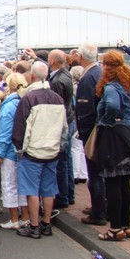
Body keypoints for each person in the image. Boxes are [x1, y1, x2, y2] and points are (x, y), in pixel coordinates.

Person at [94, 51, 130, 242]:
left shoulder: (110, 87)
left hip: (114, 136)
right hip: (128, 134)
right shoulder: (128, 83)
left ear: (107, 66)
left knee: (112, 181)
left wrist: (107, 121)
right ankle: (126, 225)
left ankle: (115, 228)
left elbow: (113, 105)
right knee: (124, 182)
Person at [11, 62, 67, 239]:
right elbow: (65, 127)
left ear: (32, 76)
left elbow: (20, 126)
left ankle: (34, 226)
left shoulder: (28, 98)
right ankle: (46, 223)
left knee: (31, 189)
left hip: (33, 150)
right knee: (48, 188)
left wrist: (19, 148)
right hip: (52, 149)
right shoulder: (58, 98)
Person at [73, 44, 106, 226]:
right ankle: (100, 207)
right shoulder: (97, 73)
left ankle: (98, 212)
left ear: (81, 56)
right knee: (97, 173)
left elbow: (85, 108)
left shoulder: (88, 77)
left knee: (95, 174)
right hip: (96, 128)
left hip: (91, 131)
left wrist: (85, 130)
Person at [0, 72, 28, 229]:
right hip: (26, 149)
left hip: (10, 150)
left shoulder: (9, 105)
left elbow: (5, 132)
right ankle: (26, 216)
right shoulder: (27, 101)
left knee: (9, 184)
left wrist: (0, 153)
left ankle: (14, 218)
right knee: (24, 184)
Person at [47, 50, 75, 209]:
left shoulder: (57, 80)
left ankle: (62, 196)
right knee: (67, 159)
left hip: (62, 122)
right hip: (69, 119)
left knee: (61, 161)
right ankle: (69, 193)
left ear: (52, 61)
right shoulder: (66, 74)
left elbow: (56, 106)